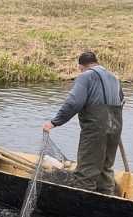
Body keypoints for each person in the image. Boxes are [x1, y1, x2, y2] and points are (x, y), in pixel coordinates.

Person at [43, 51, 124, 195]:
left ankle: (82, 201)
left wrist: (54, 122)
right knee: (105, 169)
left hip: (95, 130)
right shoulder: (114, 78)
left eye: (80, 69)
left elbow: (74, 103)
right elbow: (121, 101)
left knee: (86, 171)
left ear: (81, 66)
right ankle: (107, 199)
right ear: (95, 62)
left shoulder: (85, 76)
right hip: (115, 128)